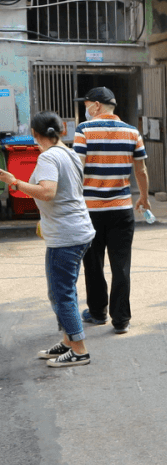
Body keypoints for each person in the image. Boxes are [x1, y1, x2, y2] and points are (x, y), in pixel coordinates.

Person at [0, 111, 96, 367]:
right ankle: (68, 342)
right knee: (64, 291)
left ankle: (79, 349)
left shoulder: (48, 157)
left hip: (65, 236)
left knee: (61, 294)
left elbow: (47, 192)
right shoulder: (70, 153)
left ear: (34, 133)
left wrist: (15, 182)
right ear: (62, 129)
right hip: (77, 230)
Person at [75, 87, 148, 335]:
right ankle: (121, 320)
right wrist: (144, 198)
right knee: (121, 265)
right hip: (121, 210)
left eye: (86, 104)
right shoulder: (132, 132)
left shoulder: (84, 130)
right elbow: (141, 170)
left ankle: (98, 313)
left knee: (93, 263)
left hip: (91, 211)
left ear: (96, 105)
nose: (85, 109)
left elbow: (77, 169)